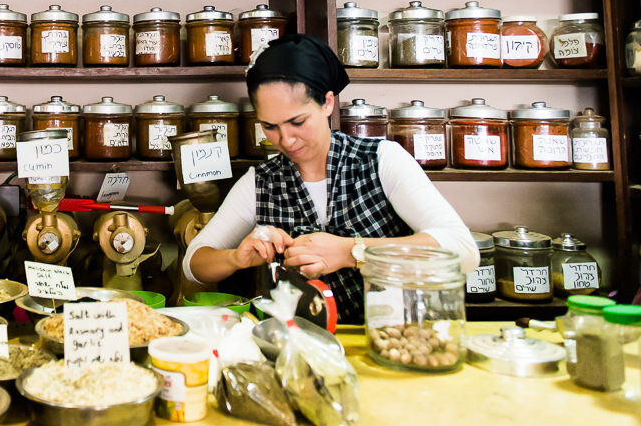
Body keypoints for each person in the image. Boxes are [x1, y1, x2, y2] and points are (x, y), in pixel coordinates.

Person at [183, 33, 479, 322]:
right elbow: (193, 263)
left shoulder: (381, 160)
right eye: (269, 126)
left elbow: (463, 251)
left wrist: (352, 251)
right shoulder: (260, 182)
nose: (286, 140)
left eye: (297, 121)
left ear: (327, 103)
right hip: (301, 347)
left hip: (395, 337)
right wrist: (237, 257)